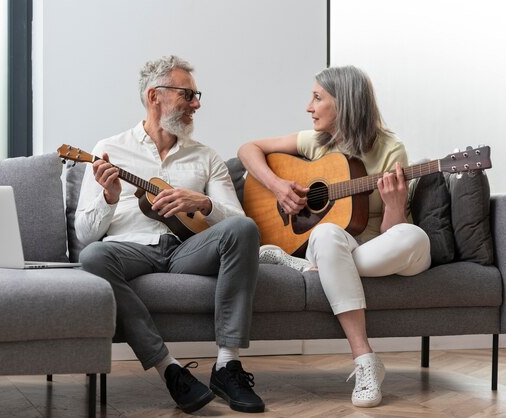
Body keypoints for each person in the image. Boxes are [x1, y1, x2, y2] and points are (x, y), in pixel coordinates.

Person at [75, 55, 265, 414]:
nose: (196, 104)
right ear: (154, 97)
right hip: (130, 250)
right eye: (187, 95)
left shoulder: (206, 157)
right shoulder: (109, 150)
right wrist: (109, 198)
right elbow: (86, 235)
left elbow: (237, 220)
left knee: (243, 228)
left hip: (186, 250)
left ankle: (227, 365)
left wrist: (205, 203)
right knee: (92, 258)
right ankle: (170, 369)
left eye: (197, 96)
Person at [238, 65, 431, 408]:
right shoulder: (316, 142)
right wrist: (278, 185)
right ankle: (365, 360)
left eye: (317, 97)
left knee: (413, 237)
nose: (308, 107)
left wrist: (394, 204)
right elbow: (248, 149)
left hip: (383, 247)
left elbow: (393, 232)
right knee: (326, 232)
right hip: (337, 245)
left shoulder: (390, 148)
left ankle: (311, 266)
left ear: (345, 103)